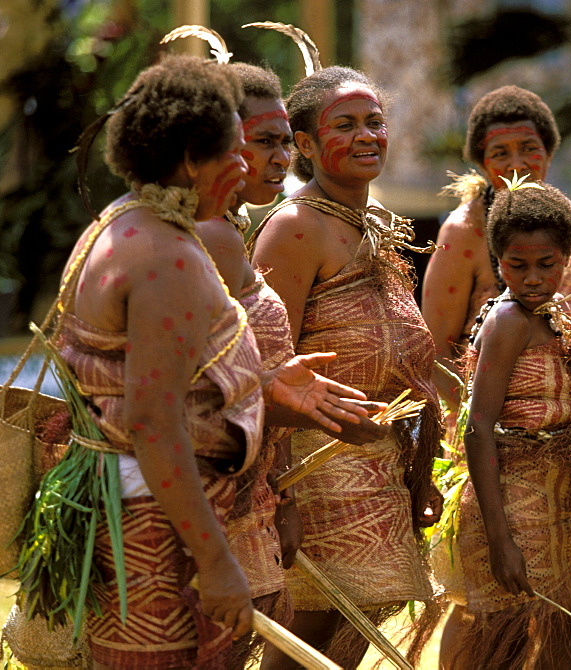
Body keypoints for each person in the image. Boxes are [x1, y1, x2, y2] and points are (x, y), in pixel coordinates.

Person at [53, 54, 374, 669]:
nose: (245, 166)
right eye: (233, 150)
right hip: (154, 525)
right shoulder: (165, 257)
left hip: (143, 508)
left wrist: (264, 386)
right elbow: (151, 424)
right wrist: (217, 561)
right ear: (189, 161)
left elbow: (159, 381)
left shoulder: (123, 222)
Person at [192, 60, 388, 670]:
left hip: (239, 489)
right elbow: (190, 396)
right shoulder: (214, 237)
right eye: (265, 142)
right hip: (200, 494)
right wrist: (294, 429)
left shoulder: (225, 230)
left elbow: (244, 372)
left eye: (283, 142)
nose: (281, 159)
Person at [248, 66, 444, 669]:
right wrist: (277, 495)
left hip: (378, 463)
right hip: (315, 468)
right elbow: (265, 368)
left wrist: (419, 462)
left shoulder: (376, 220)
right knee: (305, 637)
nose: (367, 136)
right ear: (304, 145)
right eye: (345, 125)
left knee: (346, 639)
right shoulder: (295, 228)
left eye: (375, 122)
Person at [422, 85, 571, 659]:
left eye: (527, 148)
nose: (514, 164)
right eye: (498, 152)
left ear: (550, 152)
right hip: (497, 449)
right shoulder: (464, 235)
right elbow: (436, 351)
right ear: (480, 161)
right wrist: (471, 439)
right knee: (489, 604)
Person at [455, 179, 571, 669]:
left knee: (564, 644)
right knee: (505, 644)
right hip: (507, 509)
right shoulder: (508, 322)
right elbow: (478, 429)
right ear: (498, 261)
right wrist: (502, 544)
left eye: (547, 265)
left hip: (551, 506)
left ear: (569, 258)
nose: (533, 278)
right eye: (516, 266)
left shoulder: (558, 318)